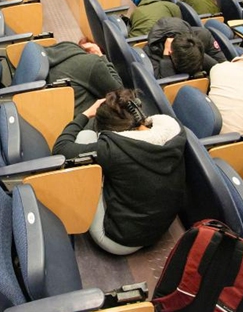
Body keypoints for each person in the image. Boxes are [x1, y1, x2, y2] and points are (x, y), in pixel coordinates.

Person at [52, 89, 186, 255]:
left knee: (85, 136)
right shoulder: (174, 131)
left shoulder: (111, 149)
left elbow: (60, 149)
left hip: (119, 240)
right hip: (161, 228)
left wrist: (86, 114)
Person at [43, 40, 123, 115]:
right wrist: (101, 57)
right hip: (89, 124)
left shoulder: (57, 51)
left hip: (56, 119)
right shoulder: (90, 63)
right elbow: (120, 95)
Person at [144, 17, 226, 78]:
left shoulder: (203, 36)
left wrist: (197, 52)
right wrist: (166, 58)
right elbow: (165, 86)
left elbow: (223, 68)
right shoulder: (151, 50)